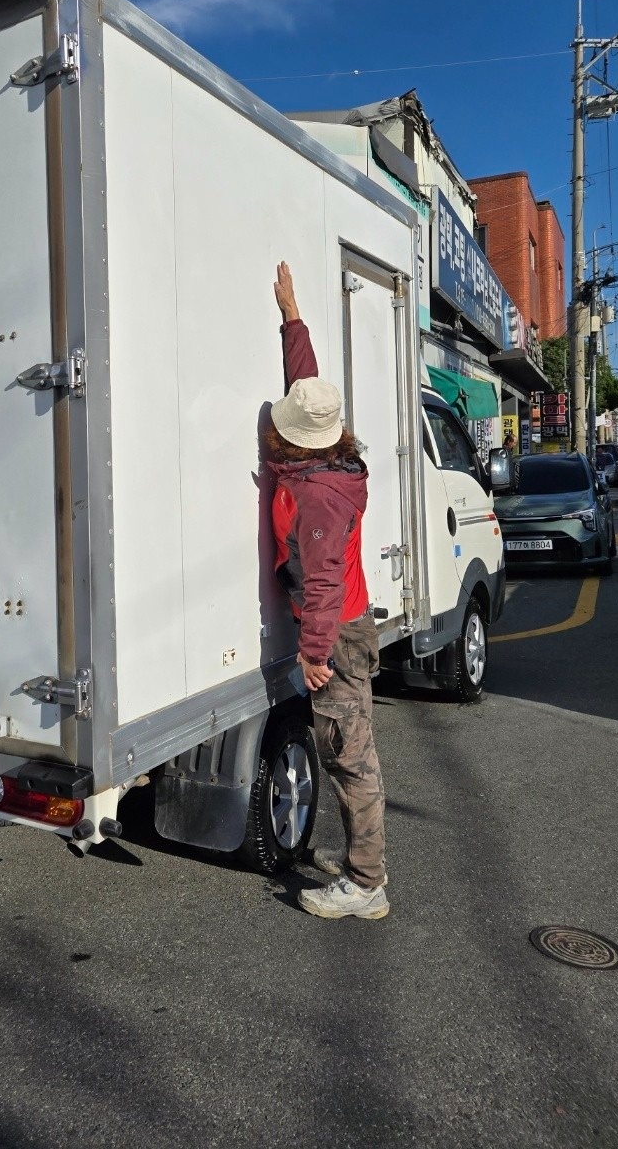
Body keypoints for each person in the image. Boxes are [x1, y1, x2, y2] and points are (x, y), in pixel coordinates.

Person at [266, 261, 389, 920]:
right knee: (351, 746)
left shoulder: (319, 496)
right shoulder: (330, 460)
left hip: (336, 633)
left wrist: (313, 653)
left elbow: (323, 580)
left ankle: (366, 886)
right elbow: (305, 387)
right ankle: (366, 871)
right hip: (344, 624)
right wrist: (292, 316)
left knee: (349, 754)